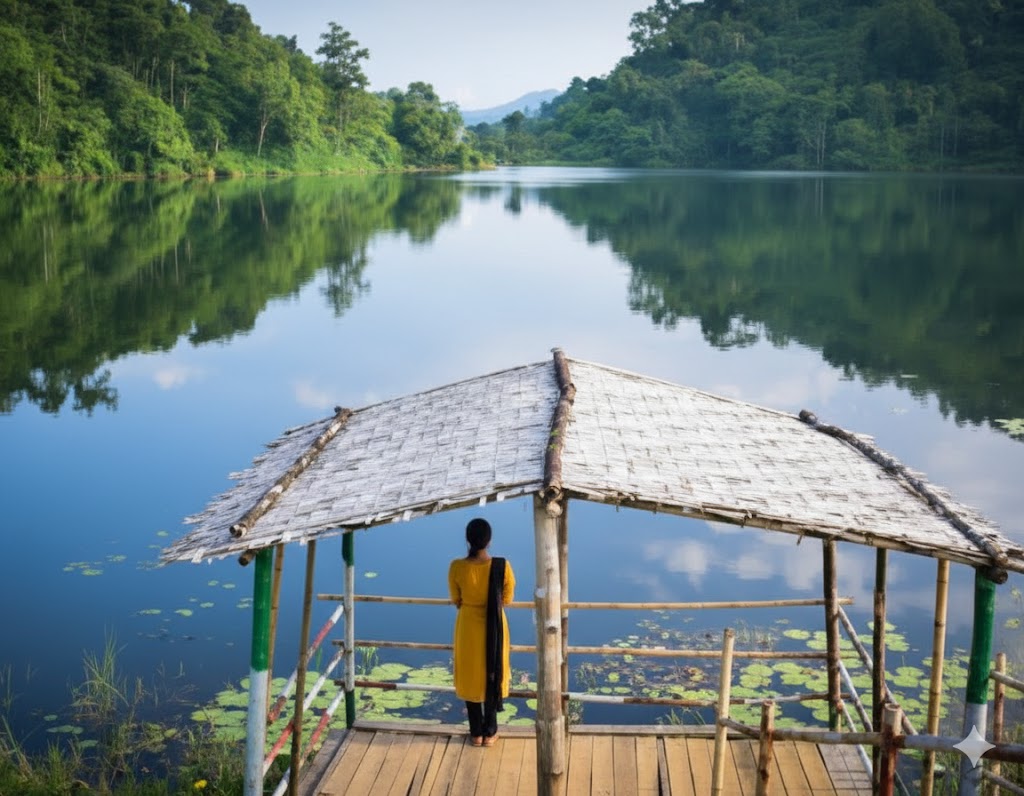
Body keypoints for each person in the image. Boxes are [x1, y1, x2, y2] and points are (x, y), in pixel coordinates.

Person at [448, 517, 515, 747]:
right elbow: (507, 598)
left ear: (468, 540)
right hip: (494, 625)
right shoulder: (502, 566)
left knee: (470, 675)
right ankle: (491, 731)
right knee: (492, 670)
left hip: (467, 626)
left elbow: (456, 599)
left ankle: (475, 733)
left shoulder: (457, 567)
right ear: (490, 541)